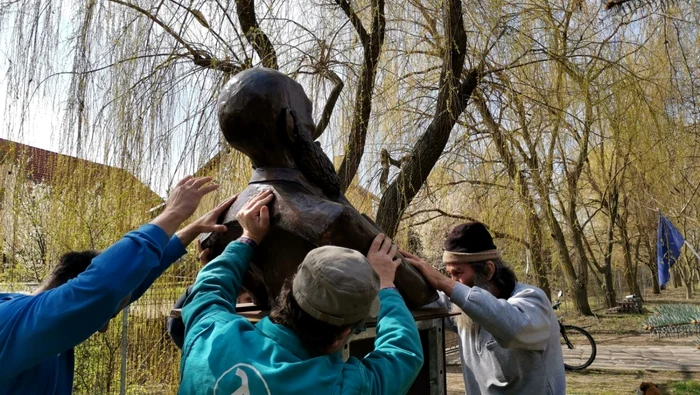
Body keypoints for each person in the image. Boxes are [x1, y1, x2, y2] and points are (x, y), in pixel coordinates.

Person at [0, 176, 233, 394]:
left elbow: (122, 286)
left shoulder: (42, 329)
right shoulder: (10, 323)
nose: (104, 327)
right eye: (109, 315)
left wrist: (190, 230)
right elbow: (106, 286)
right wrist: (172, 213)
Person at [179, 189, 424, 394]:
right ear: (341, 336)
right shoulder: (339, 387)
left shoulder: (209, 335)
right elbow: (403, 354)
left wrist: (248, 238)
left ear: (289, 293)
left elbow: (209, 287)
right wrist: (388, 285)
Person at [403, 222, 565, 395]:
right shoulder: (462, 308)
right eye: (449, 275)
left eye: (458, 273)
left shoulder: (533, 300)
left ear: (488, 270)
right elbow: (422, 300)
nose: (452, 282)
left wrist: (443, 282)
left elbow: (511, 328)